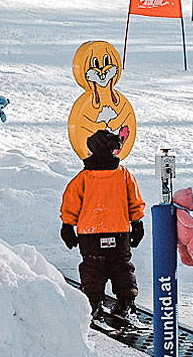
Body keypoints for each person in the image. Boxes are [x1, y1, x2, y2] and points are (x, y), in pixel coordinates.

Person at [60, 130, 146, 327]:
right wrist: (137, 224)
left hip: (90, 235)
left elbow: (71, 203)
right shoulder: (124, 175)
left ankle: (94, 304)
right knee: (122, 267)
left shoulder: (83, 178)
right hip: (120, 232)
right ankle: (125, 304)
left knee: (92, 269)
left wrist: (67, 226)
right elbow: (134, 202)